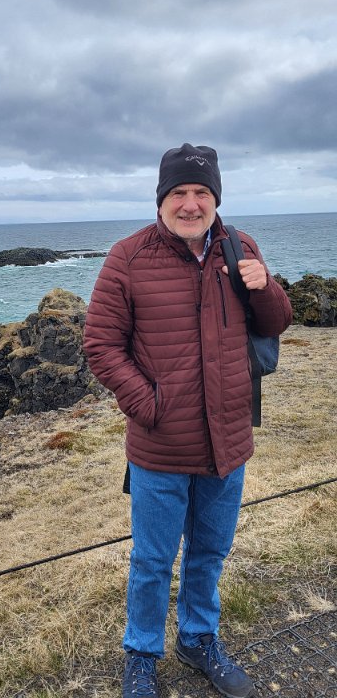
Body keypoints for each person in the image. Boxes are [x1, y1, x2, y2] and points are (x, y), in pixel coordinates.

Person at [82, 144, 292, 698]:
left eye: (201, 192)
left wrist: (263, 284)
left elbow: (277, 321)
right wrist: (150, 406)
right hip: (160, 447)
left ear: (215, 197)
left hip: (228, 440)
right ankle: (142, 655)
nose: (191, 203)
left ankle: (198, 640)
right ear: (161, 198)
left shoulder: (238, 246)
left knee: (209, 552)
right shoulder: (127, 257)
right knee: (152, 560)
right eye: (179, 192)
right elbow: (101, 346)